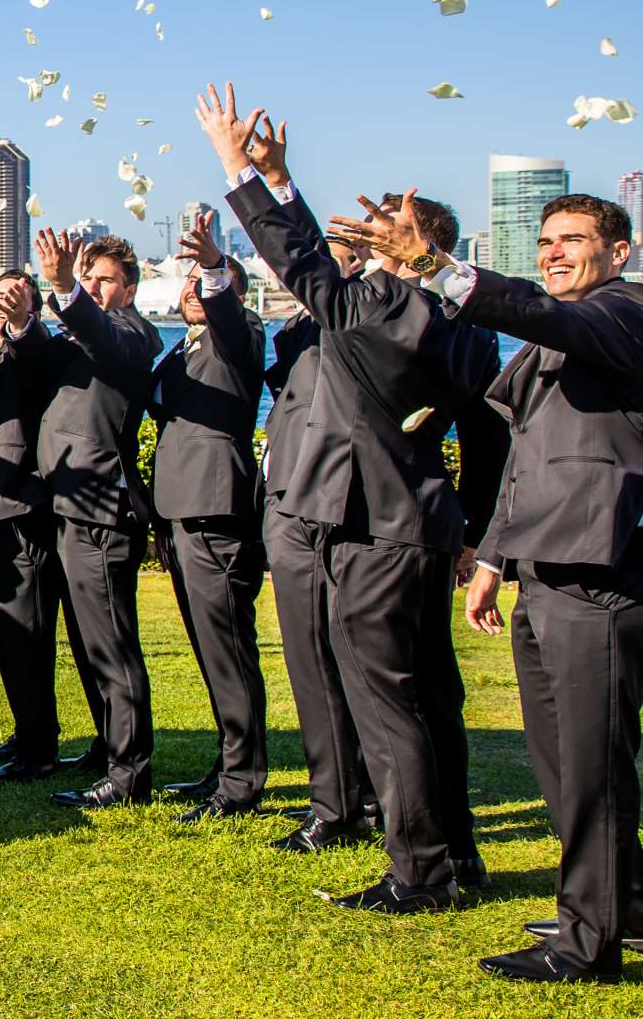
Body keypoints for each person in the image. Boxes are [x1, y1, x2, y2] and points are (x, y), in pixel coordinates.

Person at [201, 84, 502, 911]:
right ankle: (458, 849)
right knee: (433, 695)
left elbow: (301, 266)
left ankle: (421, 872)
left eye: (380, 238)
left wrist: (243, 170)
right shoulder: (462, 322)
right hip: (419, 523)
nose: (363, 248)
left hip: (376, 526)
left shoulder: (390, 307)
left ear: (416, 249)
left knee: (386, 699)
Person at [335, 188, 643, 981]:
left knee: (594, 765)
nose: (553, 252)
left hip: (598, 577)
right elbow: (527, 459)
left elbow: (544, 315)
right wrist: (496, 558)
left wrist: (435, 268)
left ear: (620, 252)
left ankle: (589, 944)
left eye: (572, 239)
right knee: (563, 762)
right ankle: (623, 900)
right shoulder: (560, 337)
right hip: (542, 572)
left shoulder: (623, 312)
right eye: (545, 241)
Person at [24, 226, 162, 809]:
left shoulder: (133, 336)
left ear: (128, 291)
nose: (95, 289)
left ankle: (130, 776)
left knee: (111, 645)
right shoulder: (79, 340)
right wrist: (20, 318)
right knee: (87, 642)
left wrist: (64, 288)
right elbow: (38, 354)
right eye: (88, 279)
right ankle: (109, 747)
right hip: (67, 509)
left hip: (102, 510)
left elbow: (102, 337)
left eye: (105, 281)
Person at [256, 228, 379, 853]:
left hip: (340, 510)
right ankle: (338, 802)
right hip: (290, 508)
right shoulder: (300, 333)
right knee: (309, 659)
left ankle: (376, 796)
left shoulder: (366, 323)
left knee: (362, 662)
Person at [147, 214, 269, 822]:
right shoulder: (181, 346)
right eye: (189, 283)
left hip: (216, 506)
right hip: (178, 510)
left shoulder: (239, 333)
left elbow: (228, 322)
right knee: (207, 645)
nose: (193, 291)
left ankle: (243, 782)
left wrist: (218, 271)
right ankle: (227, 765)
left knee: (227, 646)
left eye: (207, 283)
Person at [0, 269, 107, 783]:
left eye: (18, 297)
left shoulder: (39, 349)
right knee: (6, 632)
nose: (5, 305)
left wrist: (24, 324)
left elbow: (34, 358)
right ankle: (28, 730)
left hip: (25, 508)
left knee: (30, 632)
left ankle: (39, 750)